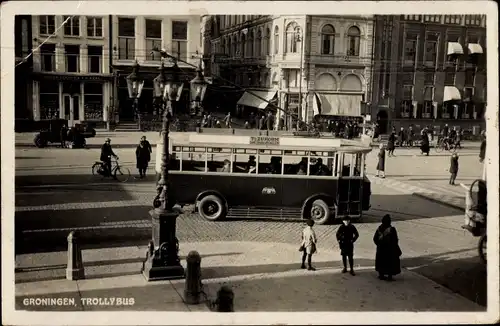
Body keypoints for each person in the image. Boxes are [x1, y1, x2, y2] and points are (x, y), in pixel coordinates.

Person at [373, 214, 402, 281]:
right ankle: (389, 276)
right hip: (390, 250)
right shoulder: (392, 229)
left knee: (381, 262)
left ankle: (381, 275)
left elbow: (375, 239)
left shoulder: (379, 229)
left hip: (381, 249)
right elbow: (395, 240)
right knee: (390, 263)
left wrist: (379, 245)